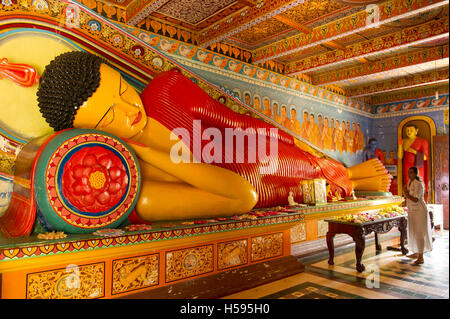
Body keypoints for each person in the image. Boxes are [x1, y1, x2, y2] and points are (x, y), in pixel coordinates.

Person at [35, 51, 392, 222]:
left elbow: (231, 121)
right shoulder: (141, 190)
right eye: (109, 116)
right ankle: (355, 177)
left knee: (312, 166)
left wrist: (278, 137)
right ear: (91, 134)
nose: (130, 110)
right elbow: (242, 195)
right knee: (301, 190)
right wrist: (142, 151)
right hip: (263, 189)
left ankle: (355, 174)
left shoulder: (163, 91)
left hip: (257, 147)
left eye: (123, 91)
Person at [403, 166, 433, 265]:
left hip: (419, 210)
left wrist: (406, 194)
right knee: (413, 231)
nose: (409, 174)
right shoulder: (410, 182)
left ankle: (421, 256)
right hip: (412, 211)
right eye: (408, 172)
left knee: (419, 232)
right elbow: (408, 196)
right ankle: (416, 252)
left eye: (411, 173)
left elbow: (416, 199)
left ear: (416, 174)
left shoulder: (419, 184)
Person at [398, 124, 429, 194]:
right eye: (407, 131)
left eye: (411, 130)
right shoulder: (404, 141)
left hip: (418, 166)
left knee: (418, 183)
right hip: (407, 165)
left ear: (416, 131)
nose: (409, 132)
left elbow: (426, 157)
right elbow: (400, 157)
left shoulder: (422, 141)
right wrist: (400, 146)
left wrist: (414, 151)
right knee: (408, 182)